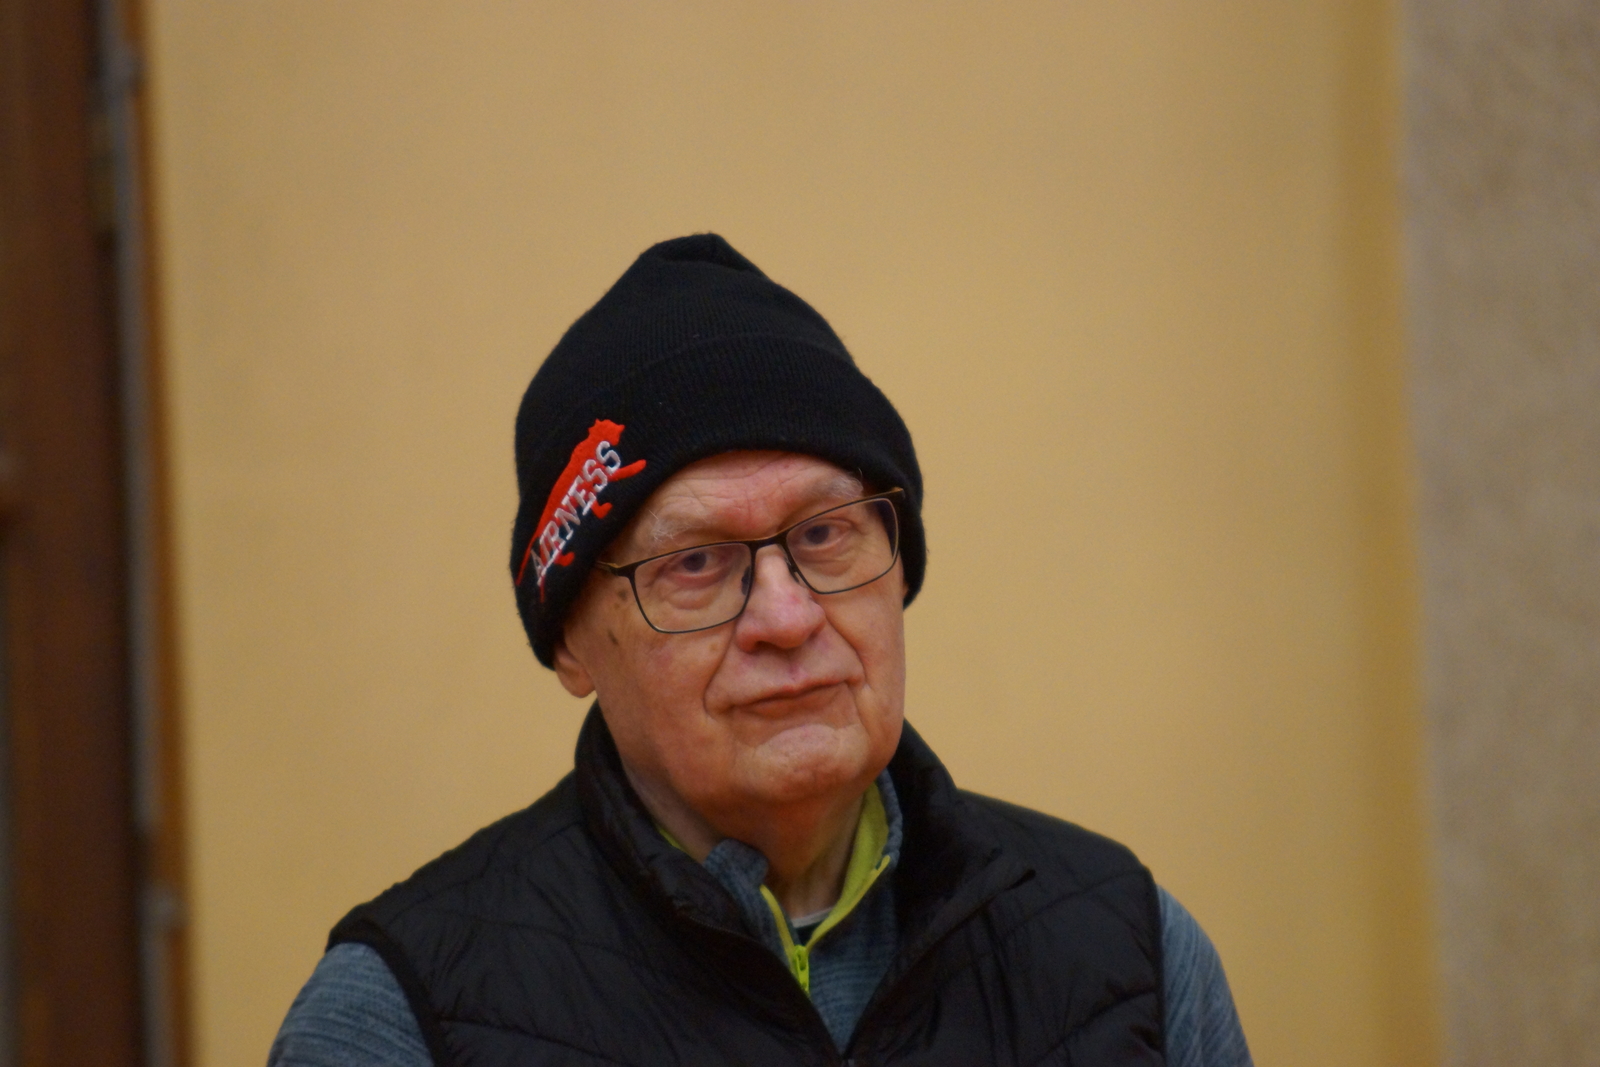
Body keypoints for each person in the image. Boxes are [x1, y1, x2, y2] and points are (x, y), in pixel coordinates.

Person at [269, 234, 1253, 1066]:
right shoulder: (403, 1018)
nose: (786, 616)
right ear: (572, 641)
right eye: (696, 562)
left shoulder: (1132, 957)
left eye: (825, 534)